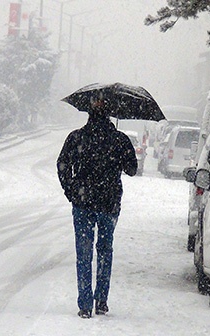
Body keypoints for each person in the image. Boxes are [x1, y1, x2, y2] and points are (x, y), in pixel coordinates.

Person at [57, 96, 138, 319]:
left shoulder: (76, 137)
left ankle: (84, 304)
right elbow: (132, 169)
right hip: (109, 204)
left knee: (83, 253)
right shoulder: (119, 140)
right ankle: (101, 301)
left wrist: (71, 191)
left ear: (88, 112)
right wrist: (122, 155)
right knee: (105, 251)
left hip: (82, 203)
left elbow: (62, 165)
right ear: (111, 114)